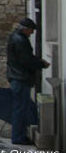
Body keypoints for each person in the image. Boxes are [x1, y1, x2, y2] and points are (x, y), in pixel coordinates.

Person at [6, 17, 50, 145]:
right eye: (31, 30)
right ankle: (18, 137)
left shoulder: (15, 37)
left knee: (19, 108)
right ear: (26, 29)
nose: (32, 33)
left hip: (16, 77)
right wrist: (41, 64)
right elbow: (26, 60)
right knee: (20, 109)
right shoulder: (20, 40)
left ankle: (19, 135)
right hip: (20, 78)